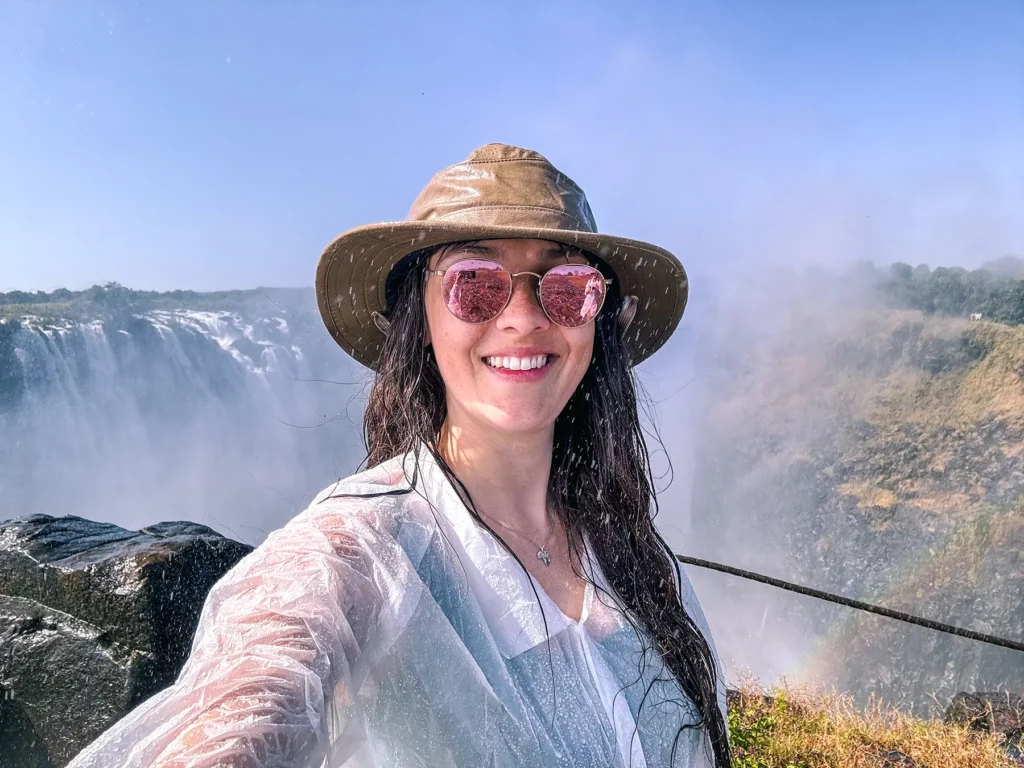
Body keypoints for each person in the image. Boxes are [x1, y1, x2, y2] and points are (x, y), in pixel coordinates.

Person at [67, 144, 732, 767]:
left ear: (596, 317)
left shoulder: (623, 548)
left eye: (564, 285)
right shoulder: (359, 546)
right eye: (476, 283)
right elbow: (260, 679)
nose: (524, 318)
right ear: (421, 316)